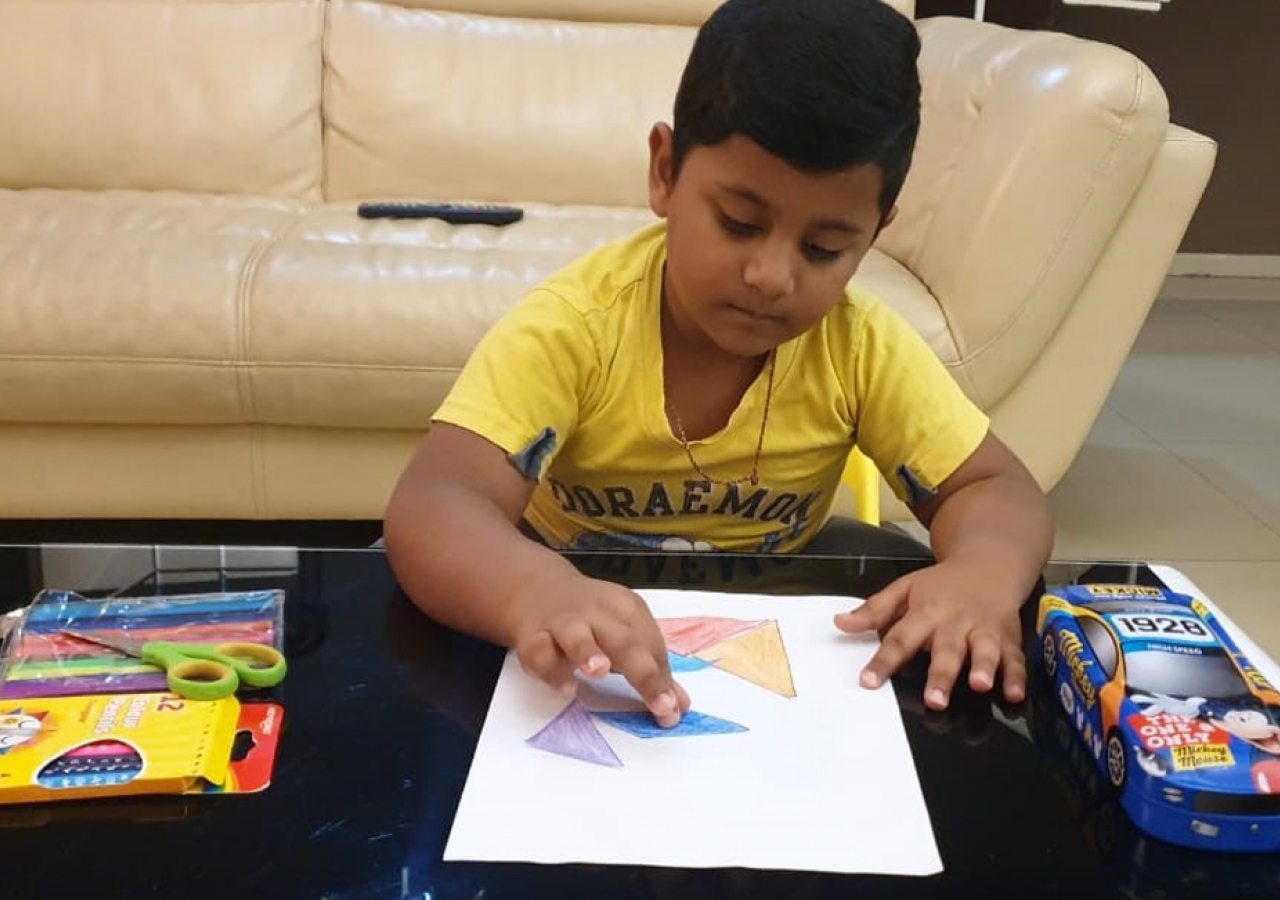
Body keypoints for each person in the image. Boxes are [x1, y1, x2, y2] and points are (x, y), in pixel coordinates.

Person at [385, 0, 1053, 728]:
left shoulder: (861, 345)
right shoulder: (575, 327)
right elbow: (435, 503)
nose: (771, 275)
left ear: (875, 233)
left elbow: (993, 486)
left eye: (824, 248)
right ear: (666, 172)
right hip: (566, 589)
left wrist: (982, 576)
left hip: (780, 608)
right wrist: (530, 590)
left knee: (894, 564)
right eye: (739, 223)